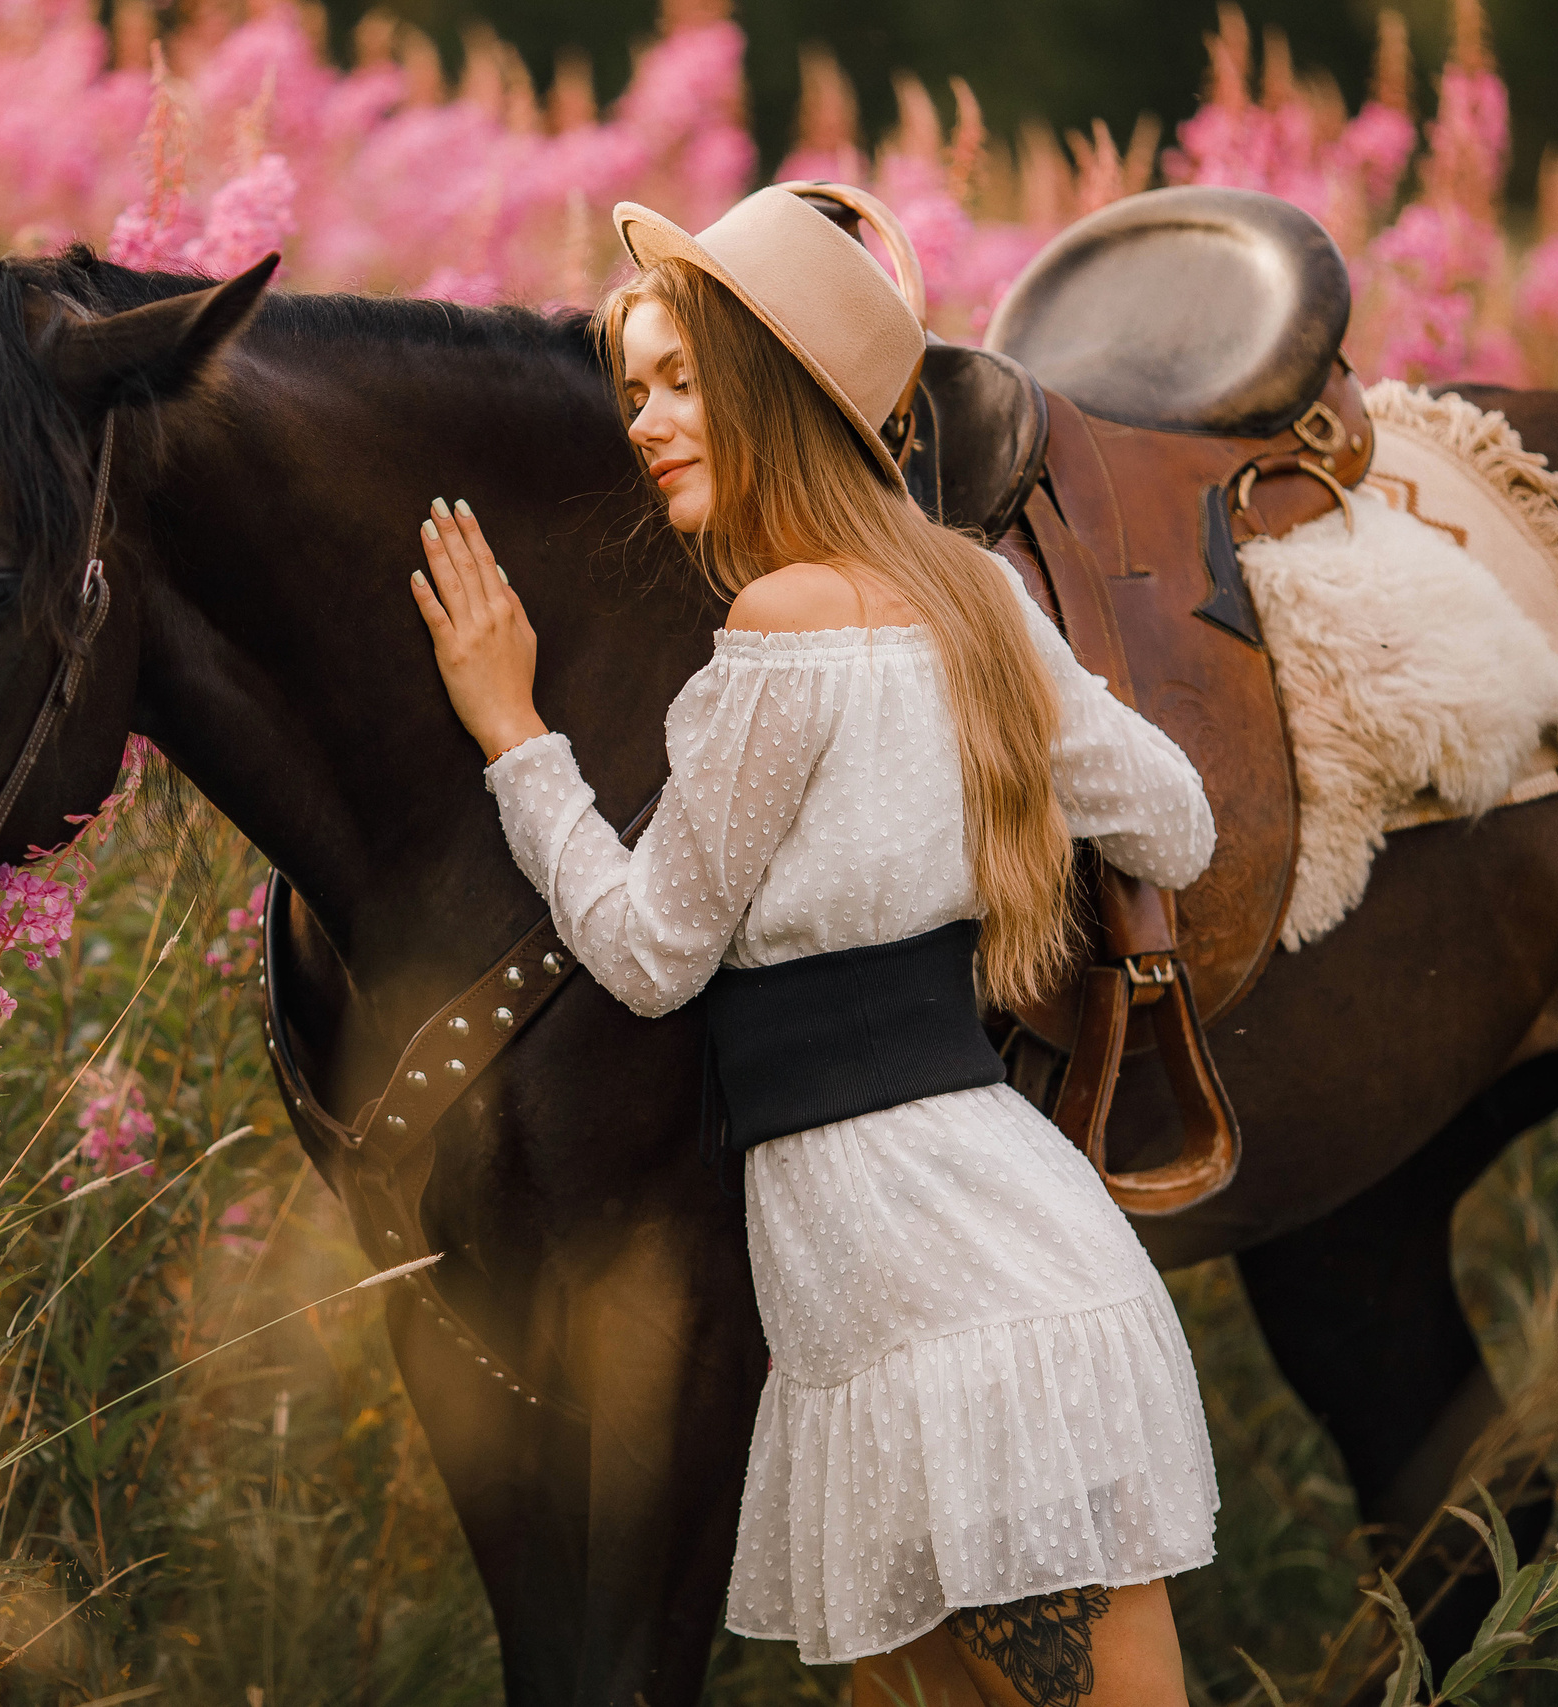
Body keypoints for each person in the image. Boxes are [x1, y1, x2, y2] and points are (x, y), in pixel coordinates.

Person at [403, 184, 1220, 1705]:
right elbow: (1173, 822)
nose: (642, 424)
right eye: (631, 387)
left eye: (681, 384)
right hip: (968, 1260)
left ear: (778, 394)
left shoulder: (780, 629)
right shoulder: (974, 599)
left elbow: (651, 953)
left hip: (932, 1300)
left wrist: (516, 730)